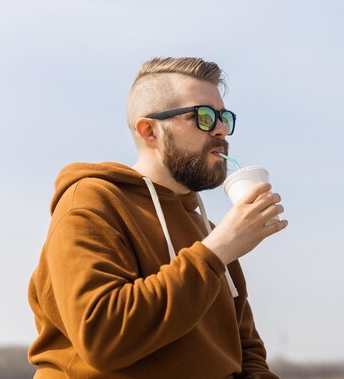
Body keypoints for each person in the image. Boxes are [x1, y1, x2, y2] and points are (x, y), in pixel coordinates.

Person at [27, 57, 288, 379]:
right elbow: (103, 338)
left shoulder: (207, 231)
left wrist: (219, 247)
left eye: (224, 117)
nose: (221, 129)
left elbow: (246, 352)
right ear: (149, 130)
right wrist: (217, 250)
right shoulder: (92, 202)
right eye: (203, 117)